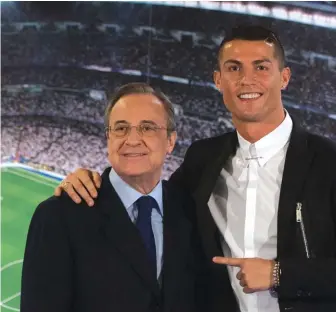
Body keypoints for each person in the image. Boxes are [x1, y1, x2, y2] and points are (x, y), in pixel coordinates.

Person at [54, 25, 336, 312]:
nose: (247, 80)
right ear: (218, 79)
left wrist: (279, 274)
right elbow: (156, 200)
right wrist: (94, 181)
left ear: (284, 77)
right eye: (234, 68)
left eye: (261, 67)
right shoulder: (205, 156)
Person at [21, 83, 207, 312]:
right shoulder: (58, 216)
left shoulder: (188, 208)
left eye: (147, 128)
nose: (132, 139)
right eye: (120, 128)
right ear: (108, 138)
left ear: (170, 141)